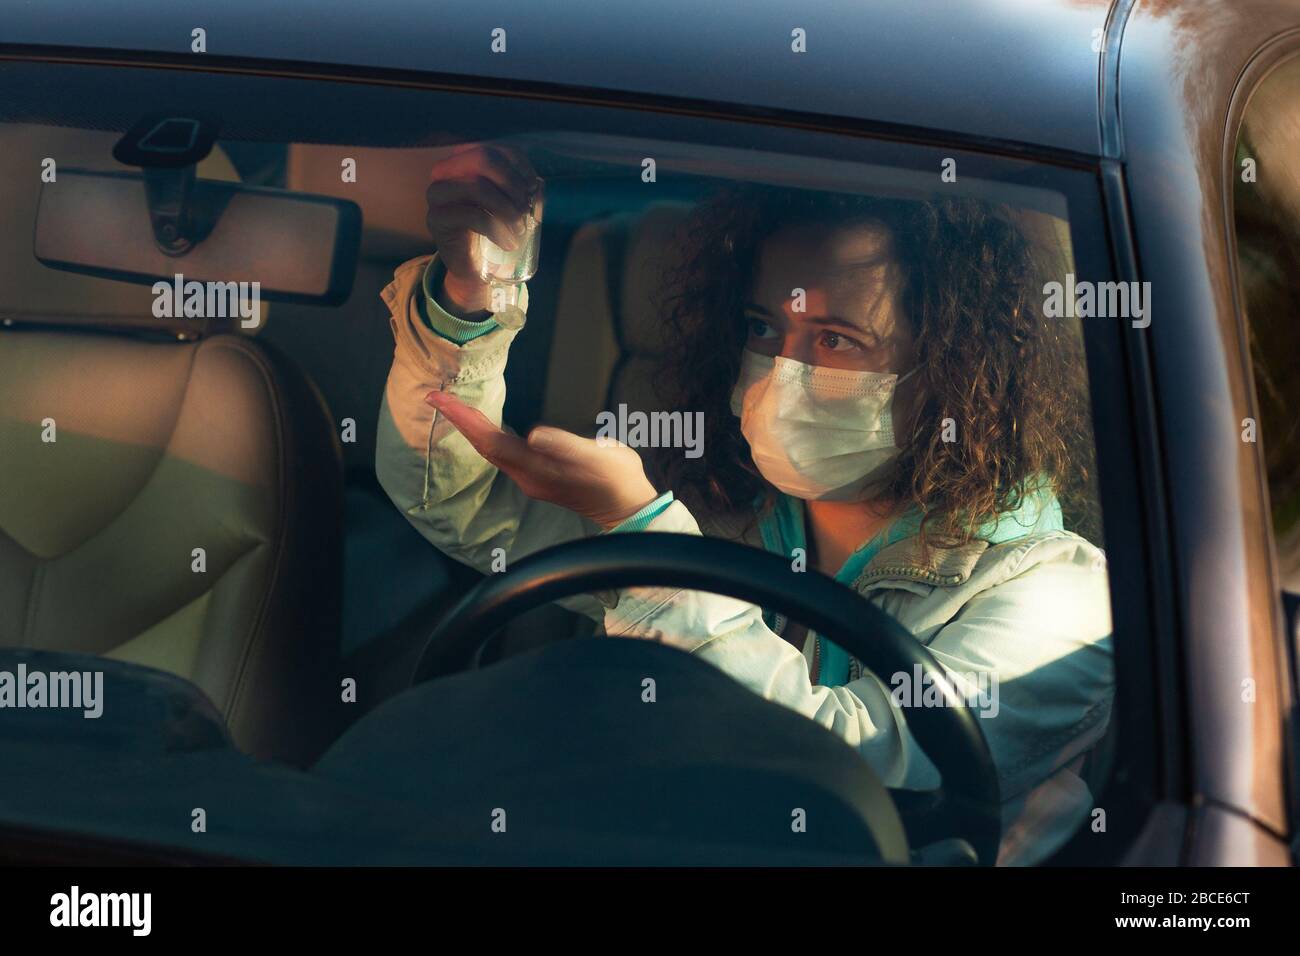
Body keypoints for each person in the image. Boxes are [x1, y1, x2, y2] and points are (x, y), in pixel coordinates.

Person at [375, 143, 1113, 865]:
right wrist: (474, 299)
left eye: (836, 339)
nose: (781, 373)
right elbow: (459, 504)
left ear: (956, 370)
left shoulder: (1059, 599)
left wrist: (646, 537)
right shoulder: (730, 513)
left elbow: (859, 769)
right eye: (764, 328)